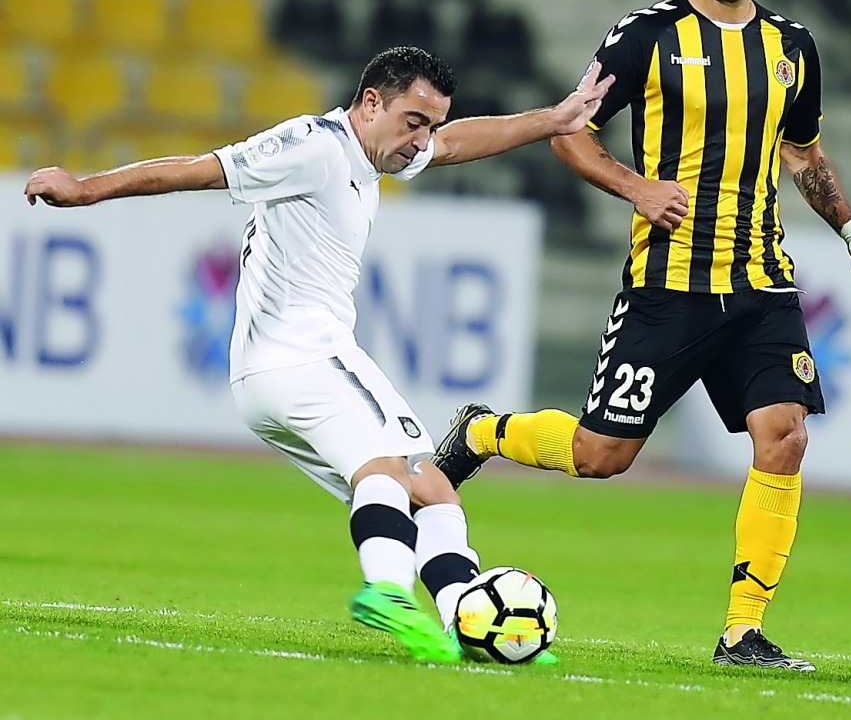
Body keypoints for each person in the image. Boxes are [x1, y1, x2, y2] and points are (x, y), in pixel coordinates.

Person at [433, 0, 851, 671]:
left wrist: (850, 231)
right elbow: (571, 127)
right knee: (603, 455)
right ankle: (484, 431)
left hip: (760, 284)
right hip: (666, 288)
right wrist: (633, 185)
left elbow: (804, 155)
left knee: (783, 437)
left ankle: (743, 631)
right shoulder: (643, 37)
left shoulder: (793, 50)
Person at [24, 44, 613, 664]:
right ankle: (387, 591)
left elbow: (460, 143)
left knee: (432, 491)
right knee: (384, 467)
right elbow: (197, 168)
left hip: (281, 371)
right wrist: (86, 188)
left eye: (430, 125)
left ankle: (467, 622)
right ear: (370, 103)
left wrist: (553, 119)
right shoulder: (314, 147)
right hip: (300, 357)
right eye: (414, 123)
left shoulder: (375, 150)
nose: (422, 140)